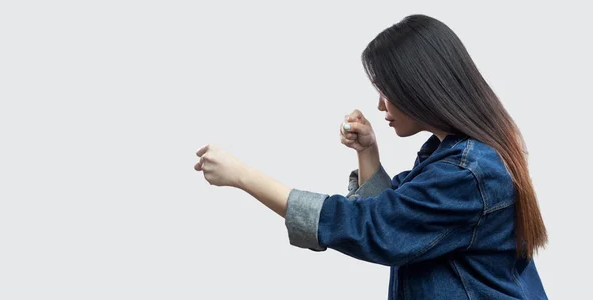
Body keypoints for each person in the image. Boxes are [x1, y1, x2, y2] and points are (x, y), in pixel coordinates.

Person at [194, 14, 548, 299]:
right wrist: (368, 152)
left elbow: (374, 229)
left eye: (386, 92)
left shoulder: (467, 172)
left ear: (420, 88)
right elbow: (402, 224)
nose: (380, 105)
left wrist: (242, 176)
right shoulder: (459, 156)